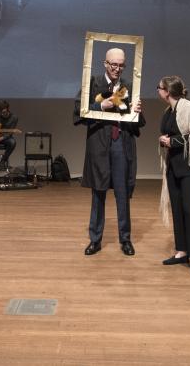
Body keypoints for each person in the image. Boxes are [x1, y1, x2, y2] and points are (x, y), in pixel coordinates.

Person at [73, 47, 144, 257]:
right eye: (114, 64)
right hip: (100, 145)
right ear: (105, 63)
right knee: (98, 194)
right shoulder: (93, 83)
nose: (117, 69)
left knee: (123, 195)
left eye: (122, 65)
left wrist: (137, 112)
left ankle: (125, 239)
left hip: (121, 144)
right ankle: (95, 240)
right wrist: (99, 105)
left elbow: (138, 123)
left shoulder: (129, 86)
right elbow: (78, 111)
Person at [157, 76, 190, 275]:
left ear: (167, 91)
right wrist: (164, 140)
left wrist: (173, 142)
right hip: (173, 168)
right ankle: (182, 251)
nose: (158, 90)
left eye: (159, 88)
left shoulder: (189, 108)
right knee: (177, 210)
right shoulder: (169, 111)